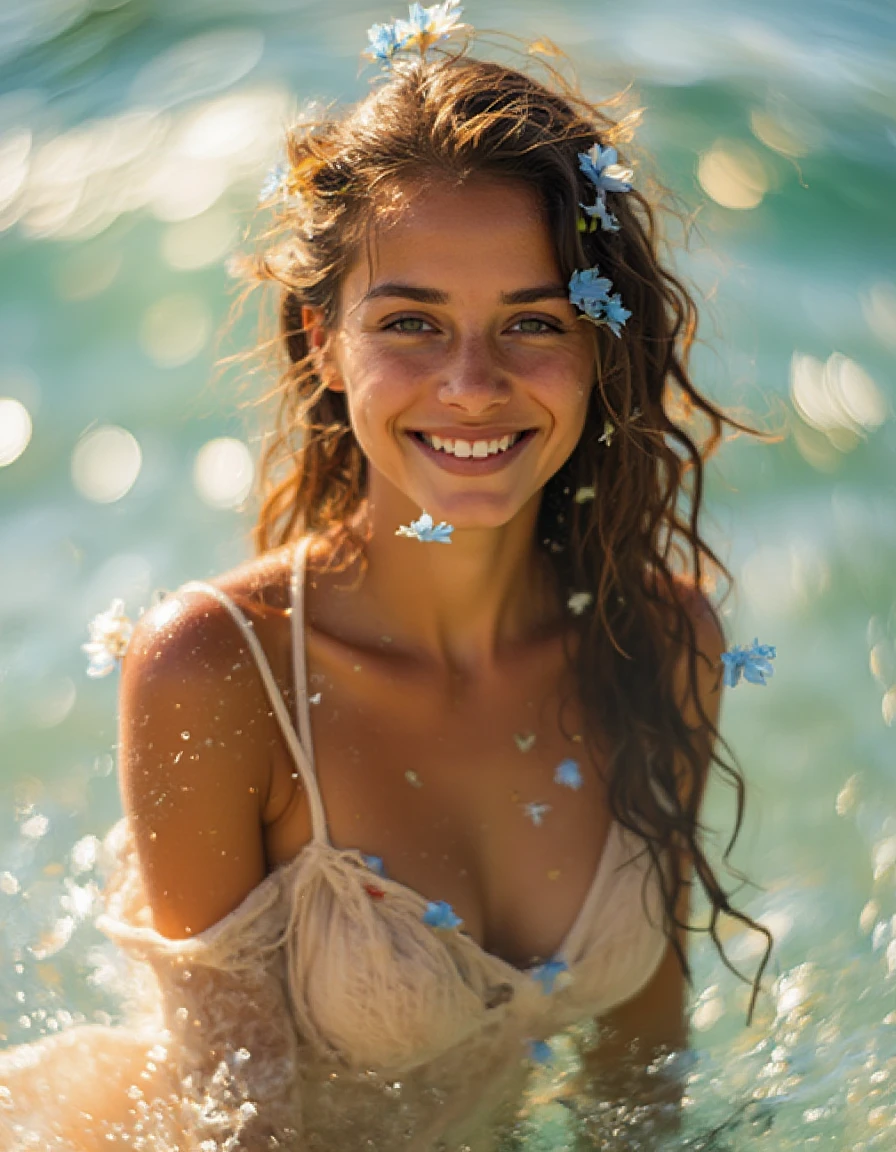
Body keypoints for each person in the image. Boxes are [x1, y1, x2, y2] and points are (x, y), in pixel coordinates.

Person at [0, 6, 775, 1150]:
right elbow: (236, 1127)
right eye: (411, 321)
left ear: (596, 345)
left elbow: (639, 1070)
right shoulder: (221, 670)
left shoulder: (659, 642)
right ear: (322, 339)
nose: (470, 385)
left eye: (532, 321)